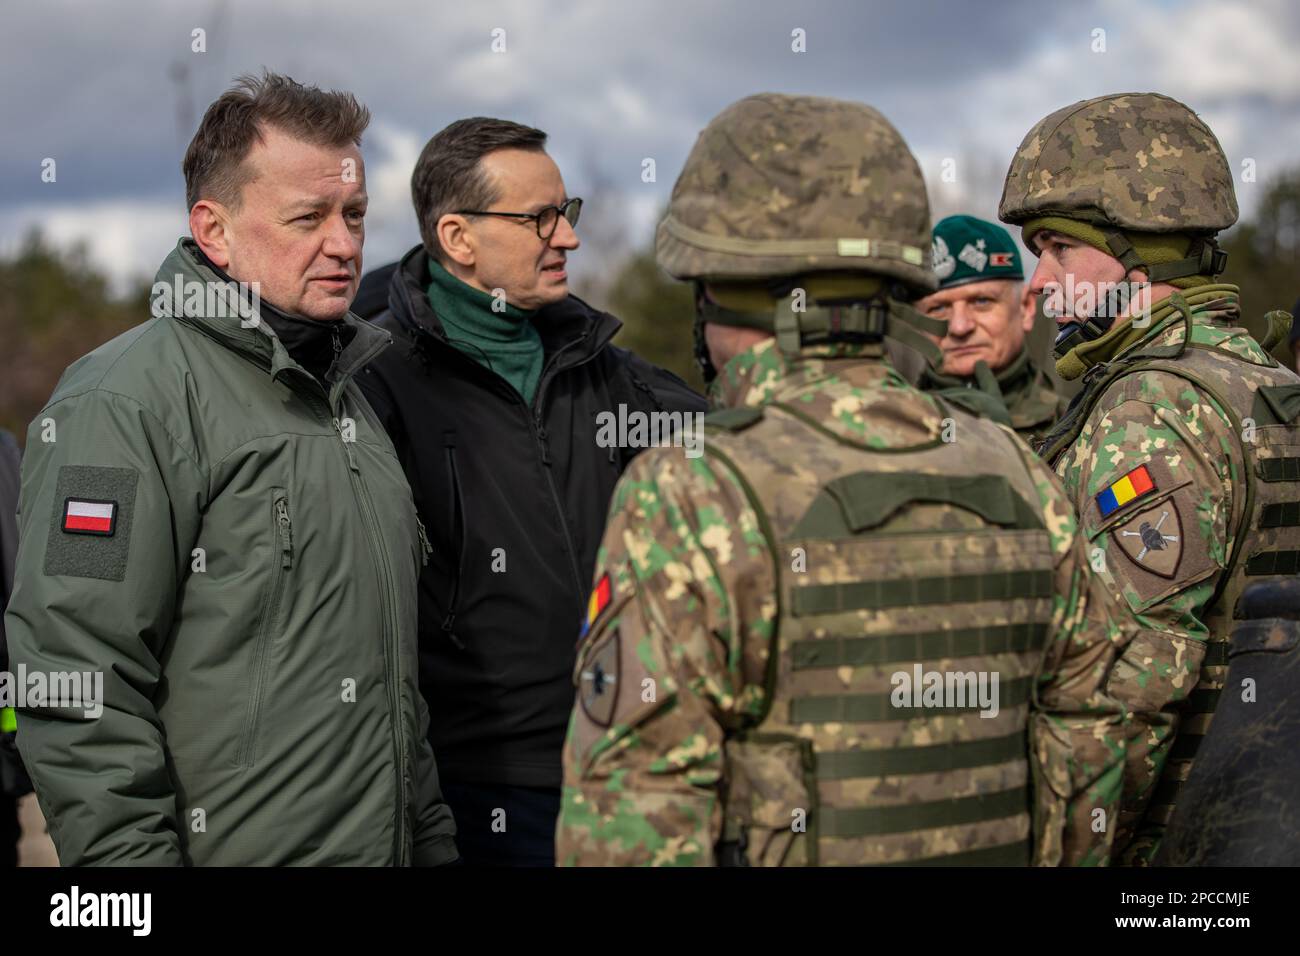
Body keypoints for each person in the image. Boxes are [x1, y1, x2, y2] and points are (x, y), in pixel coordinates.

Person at [556, 93, 1129, 867]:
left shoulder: (691, 489)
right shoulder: (1016, 466)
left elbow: (630, 816)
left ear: (717, 290)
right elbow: (1091, 735)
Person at [4, 71, 456, 866]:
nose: (345, 244)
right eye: (308, 217)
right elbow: (76, 680)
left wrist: (434, 843)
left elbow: (389, 680)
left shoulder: (350, 402)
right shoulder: (124, 403)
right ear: (213, 230)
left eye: (354, 215)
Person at [358, 117, 704, 866]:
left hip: (624, 770)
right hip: (474, 791)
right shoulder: (370, 389)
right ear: (458, 237)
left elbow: (758, 448)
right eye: (539, 219)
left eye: (566, 212)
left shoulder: (614, 375)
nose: (568, 238)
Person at [999, 91, 1300, 865]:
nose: (1038, 284)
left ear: (1143, 254)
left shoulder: (1151, 409)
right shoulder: (1263, 384)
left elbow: (1124, 696)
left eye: (1058, 249)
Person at [915, 215, 1066, 442]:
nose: (959, 327)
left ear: (1025, 308)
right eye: (938, 308)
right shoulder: (888, 428)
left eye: (981, 302)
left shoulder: (1080, 429)